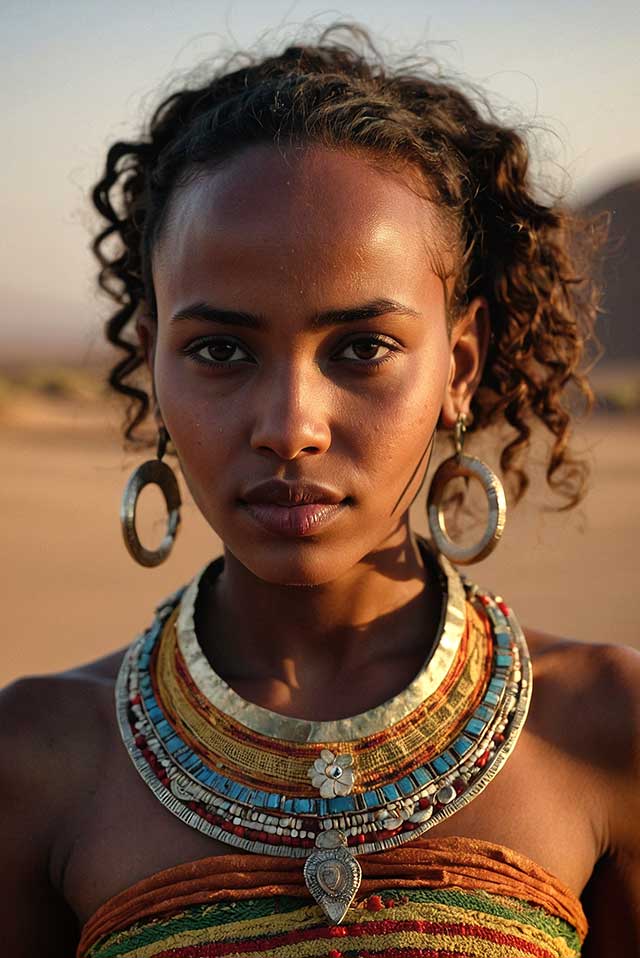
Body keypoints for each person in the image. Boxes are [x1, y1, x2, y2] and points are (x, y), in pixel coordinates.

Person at [1, 25, 638, 957]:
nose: (289, 424)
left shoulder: (609, 731)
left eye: (361, 348)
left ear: (459, 367)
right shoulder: (35, 759)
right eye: (220, 350)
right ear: (151, 361)